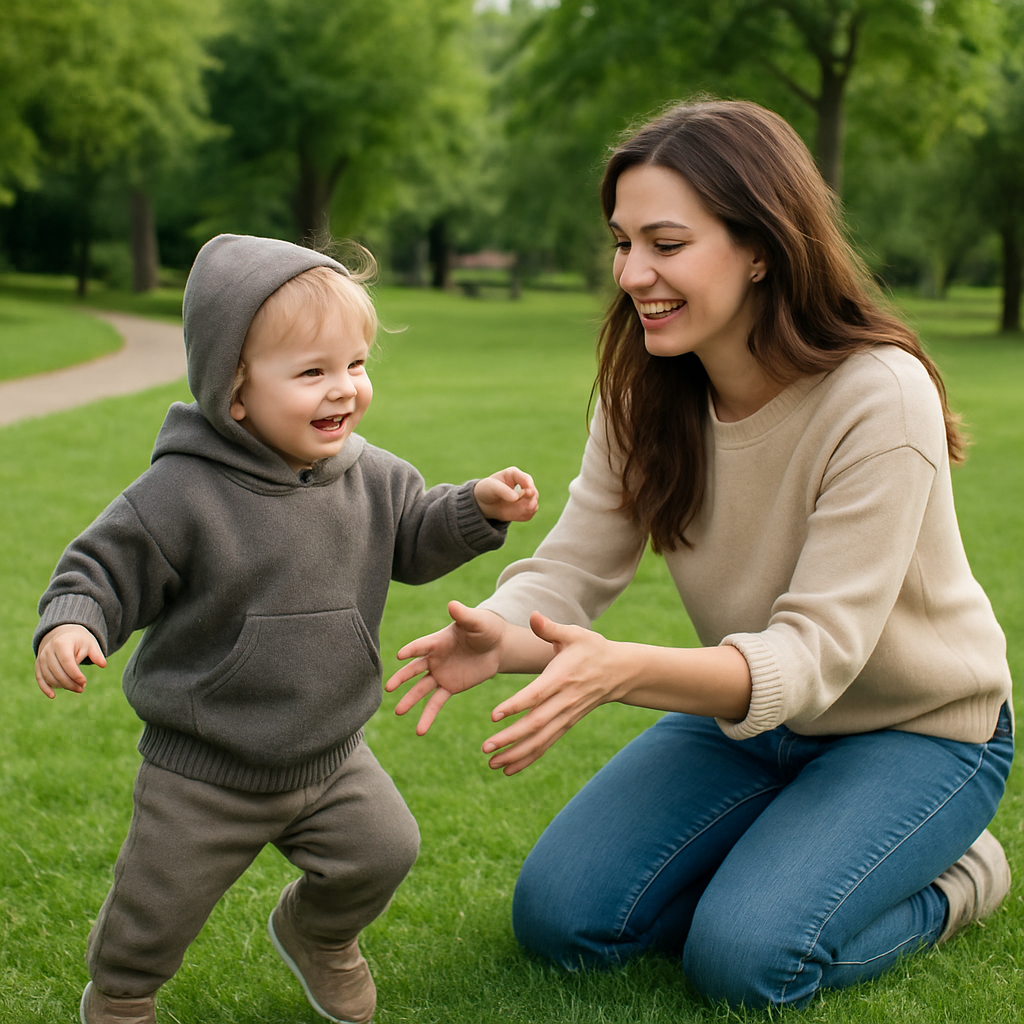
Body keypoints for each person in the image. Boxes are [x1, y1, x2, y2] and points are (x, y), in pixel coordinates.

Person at [385, 99, 1014, 1009]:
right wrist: (502, 630)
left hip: (915, 731)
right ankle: (788, 850)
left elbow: (812, 655)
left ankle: (963, 875)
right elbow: (576, 566)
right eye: (621, 241)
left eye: (666, 244)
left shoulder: (879, 396)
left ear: (761, 246)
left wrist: (622, 671)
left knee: (746, 961)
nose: (633, 273)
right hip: (754, 721)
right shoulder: (647, 387)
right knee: (563, 921)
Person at [33, 233, 539, 1024]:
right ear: (234, 391)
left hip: (331, 754)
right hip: (205, 766)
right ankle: (122, 999)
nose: (345, 390)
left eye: (357, 365)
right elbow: (97, 569)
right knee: (152, 916)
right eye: (312, 373)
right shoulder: (180, 495)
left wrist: (474, 507)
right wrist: (71, 624)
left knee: (383, 851)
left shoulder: (370, 476)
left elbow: (413, 531)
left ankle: (318, 937)